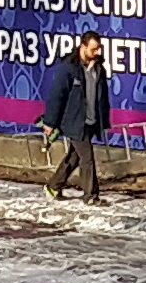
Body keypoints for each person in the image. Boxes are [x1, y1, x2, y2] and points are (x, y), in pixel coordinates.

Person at [39, 31, 112, 202]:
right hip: (74, 121)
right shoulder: (69, 68)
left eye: (98, 49)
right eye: (93, 49)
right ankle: (91, 196)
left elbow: (102, 97)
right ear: (83, 47)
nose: (97, 52)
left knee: (75, 157)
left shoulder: (98, 69)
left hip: (91, 120)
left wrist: (103, 119)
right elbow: (57, 95)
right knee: (87, 158)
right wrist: (50, 122)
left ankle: (53, 186)